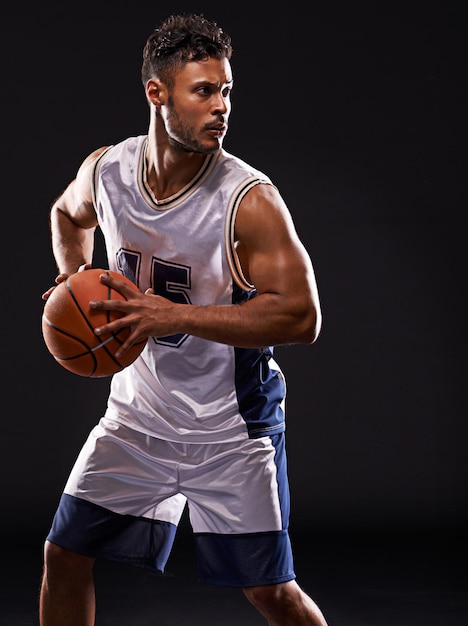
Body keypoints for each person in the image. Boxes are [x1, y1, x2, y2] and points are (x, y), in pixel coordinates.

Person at [39, 13, 327, 626]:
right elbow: (68, 215)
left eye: (226, 91)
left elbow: (303, 316)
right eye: (204, 91)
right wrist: (74, 281)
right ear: (157, 93)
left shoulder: (247, 199)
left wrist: (175, 314)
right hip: (138, 417)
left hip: (230, 431)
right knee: (64, 555)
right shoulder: (109, 172)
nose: (221, 107)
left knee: (272, 593)